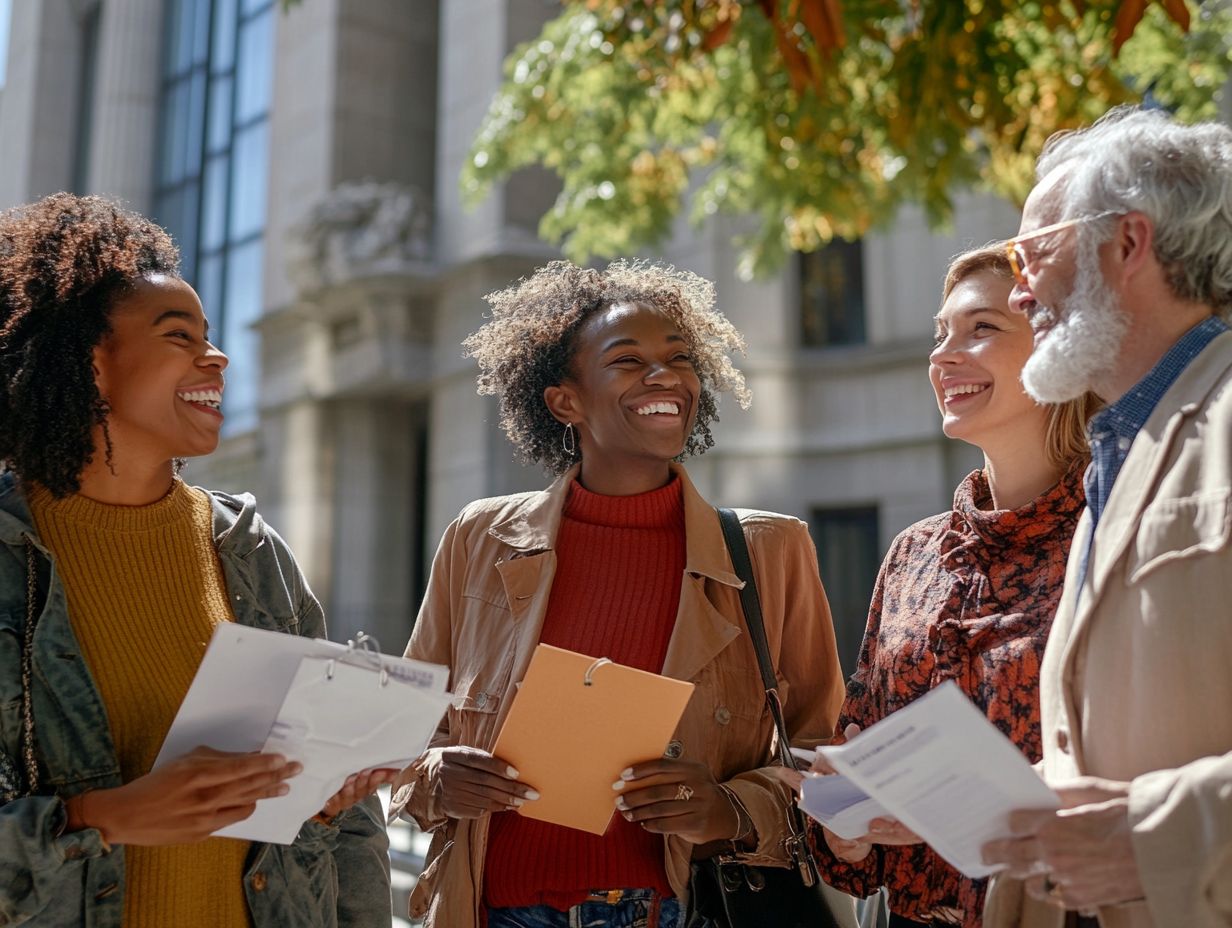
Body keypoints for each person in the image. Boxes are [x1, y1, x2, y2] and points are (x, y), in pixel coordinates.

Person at [389, 259, 846, 928]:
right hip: (493, 909)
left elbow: (824, 757)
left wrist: (727, 808)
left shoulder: (770, 551)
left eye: (679, 358)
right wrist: (435, 777)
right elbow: (398, 735)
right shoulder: (480, 537)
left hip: (679, 911)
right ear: (566, 401)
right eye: (628, 361)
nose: (664, 376)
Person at [0, 193, 392, 927]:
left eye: (210, 336)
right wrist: (100, 818)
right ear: (91, 362)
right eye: (179, 335)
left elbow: (344, 833)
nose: (216, 356)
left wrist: (327, 796)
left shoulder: (249, 549)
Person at [979, 107, 1232, 928]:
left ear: (1129, 244)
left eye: (1032, 254)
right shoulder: (1118, 449)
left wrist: (1160, 838)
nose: (1019, 292)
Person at [806, 245, 1099, 928]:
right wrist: (846, 828)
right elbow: (857, 798)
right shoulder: (913, 555)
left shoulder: (1115, 538)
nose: (942, 356)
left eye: (981, 329)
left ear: (1063, 351)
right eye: (941, 334)